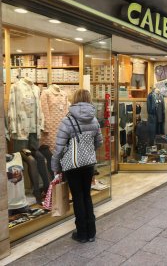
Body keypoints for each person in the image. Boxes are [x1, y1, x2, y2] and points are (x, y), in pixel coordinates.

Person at [51, 89, 103, 243]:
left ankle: (81, 234)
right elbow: (99, 142)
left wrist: (55, 166)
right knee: (87, 195)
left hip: (72, 166)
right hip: (88, 164)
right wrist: (87, 150)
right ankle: (91, 232)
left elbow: (59, 147)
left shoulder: (67, 121)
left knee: (78, 197)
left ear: (74, 100)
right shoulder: (94, 120)